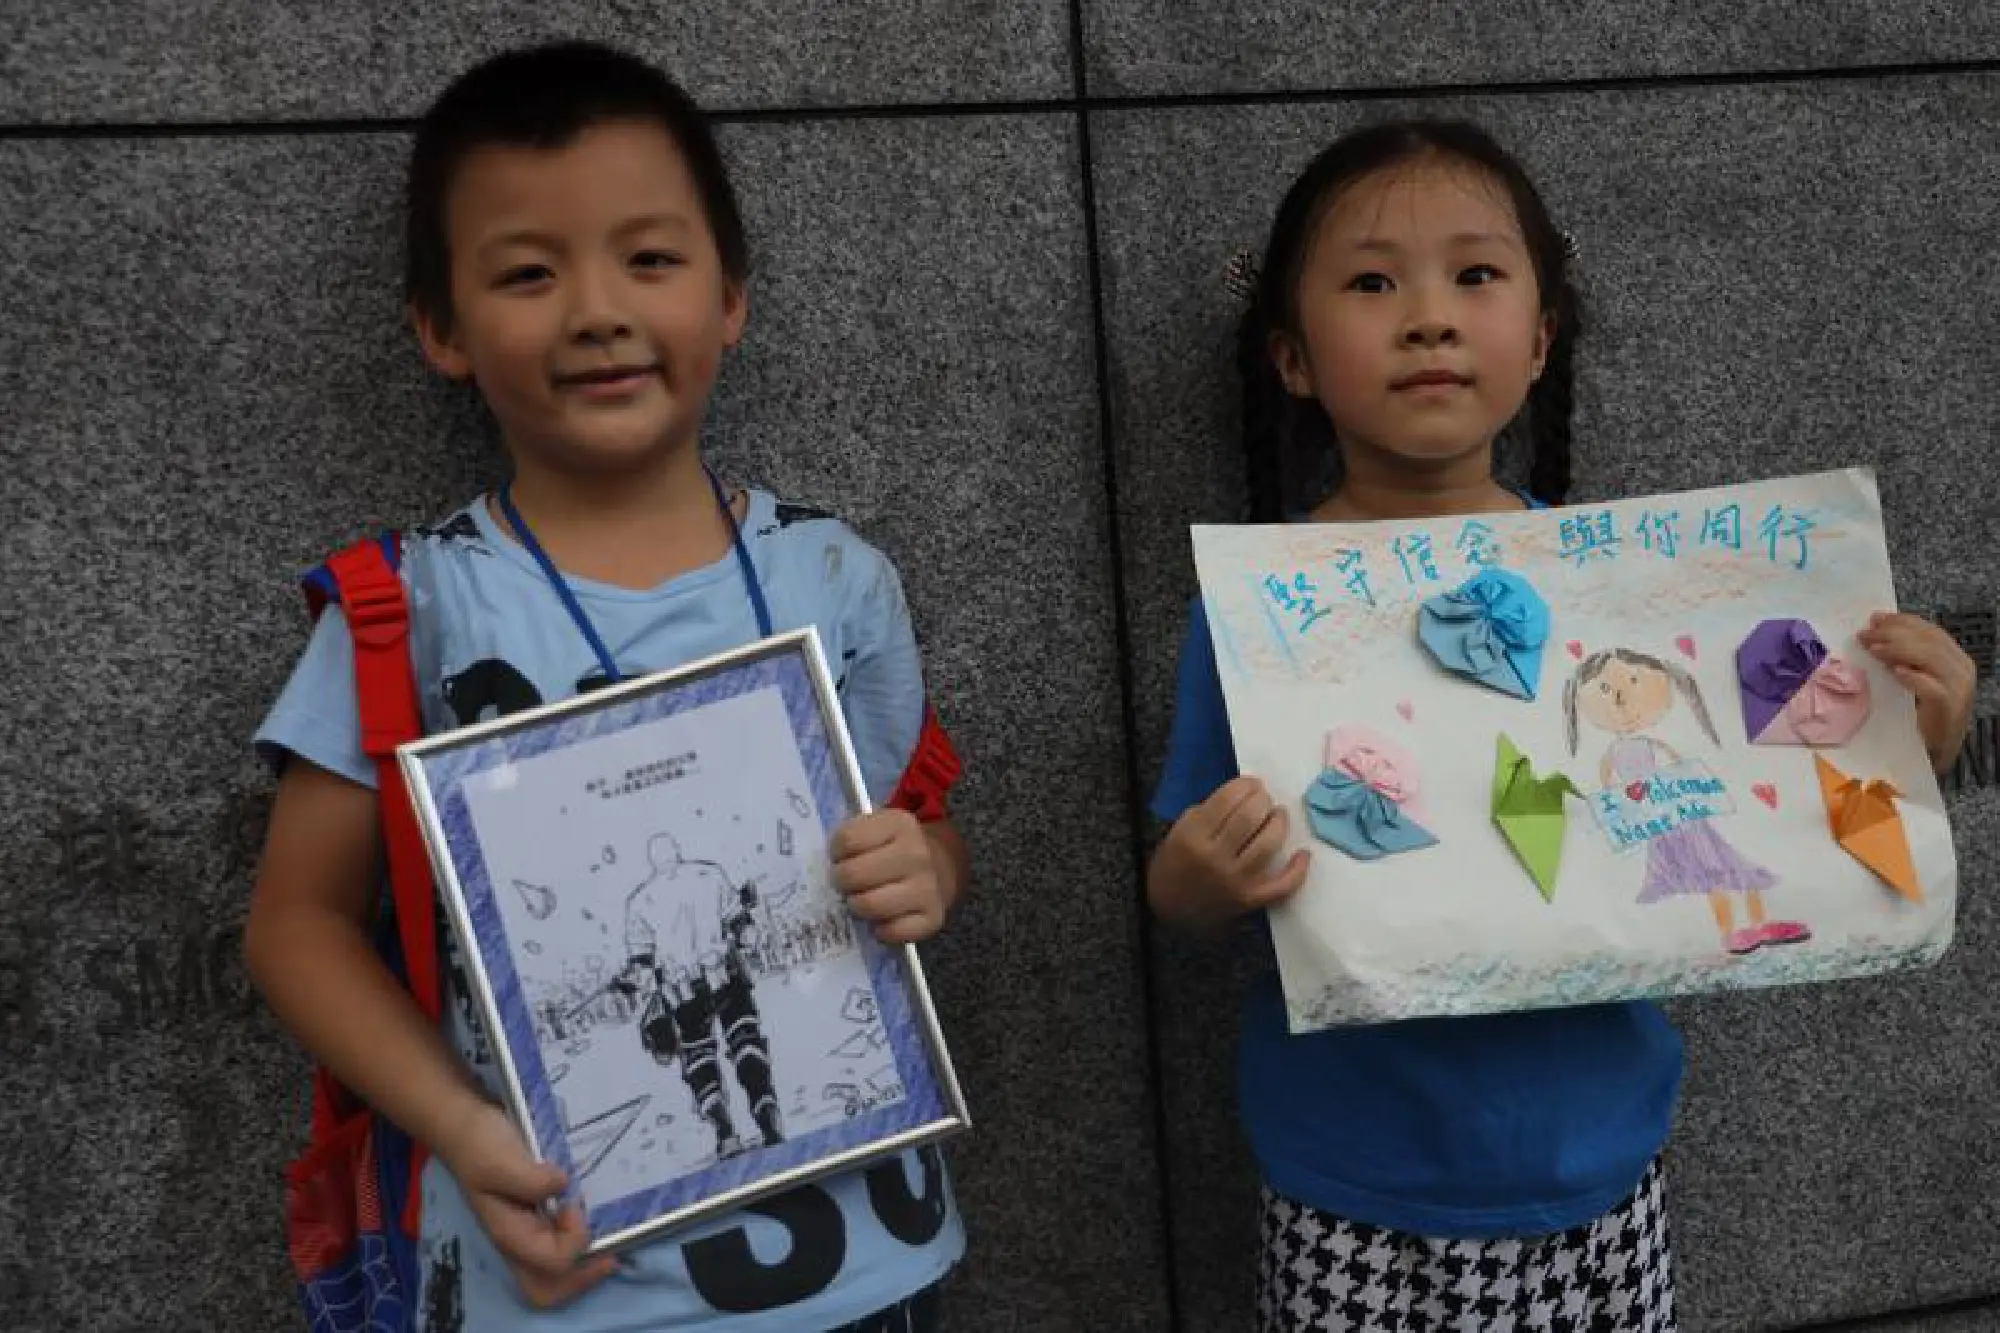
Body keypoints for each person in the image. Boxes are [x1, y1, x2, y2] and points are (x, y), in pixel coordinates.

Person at [1146, 117, 1977, 1332]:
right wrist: (1201, 871)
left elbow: (1745, 809)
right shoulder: (1255, 616)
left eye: (1473, 276)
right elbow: (1179, 893)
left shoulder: (1639, 600)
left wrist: (1911, 745)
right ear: (1290, 357)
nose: (1427, 316)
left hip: (1602, 1164)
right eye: (1372, 283)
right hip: (1352, 1182)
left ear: (1536, 342)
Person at [245, 41, 968, 1333]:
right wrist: (462, 1128)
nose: (596, 308)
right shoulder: (408, 609)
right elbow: (296, 924)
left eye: (649, 258)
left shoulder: (835, 578)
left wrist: (929, 873)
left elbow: (917, 825)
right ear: (443, 326)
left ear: (732, 296)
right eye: (530, 272)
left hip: (866, 1256)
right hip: (558, 1277)